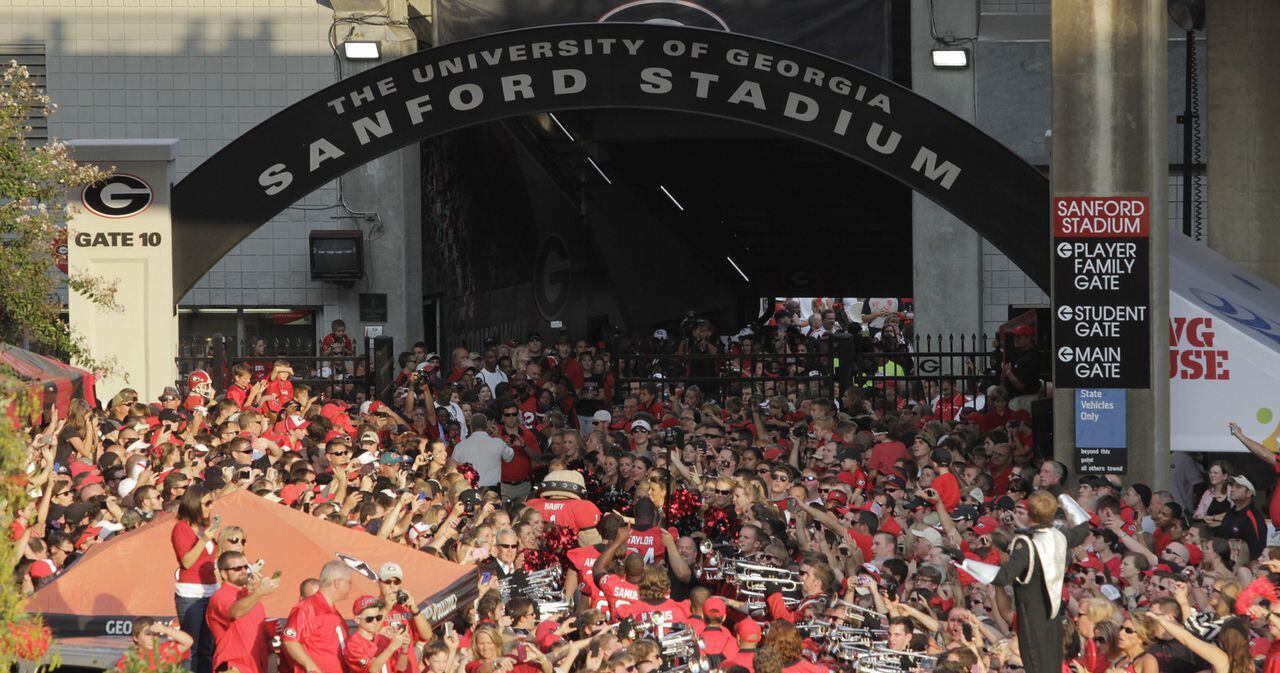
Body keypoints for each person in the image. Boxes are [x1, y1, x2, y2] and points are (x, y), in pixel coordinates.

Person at [953, 490, 1089, 673]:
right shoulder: (1060, 536)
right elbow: (1083, 526)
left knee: (1036, 666)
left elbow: (1002, 577)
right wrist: (1064, 497)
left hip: (1031, 617)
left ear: (1031, 513)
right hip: (1054, 615)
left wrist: (965, 562)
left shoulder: (1026, 543)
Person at [205, 551, 280, 673]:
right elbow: (235, 612)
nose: (244, 571)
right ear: (223, 574)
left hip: (257, 666)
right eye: (237, 568)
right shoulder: (220, 596)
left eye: (246, 567)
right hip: (234, 666)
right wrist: (259, 592)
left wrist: (269, 630)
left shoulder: (251, 597)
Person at [171, 485, 220, 673]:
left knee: (208, 647)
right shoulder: (181, 528)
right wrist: (203, 540)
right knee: (192, 646)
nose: (210, 507)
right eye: (207, 503)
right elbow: (187, 562)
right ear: (194, 504)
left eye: (211, 502)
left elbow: (211, 558)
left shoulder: (205, 527)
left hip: (210, 590)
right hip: (191, 594)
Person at [281, 560, 353, 673]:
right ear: (337, 583)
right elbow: (290, 640)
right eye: (349, 582)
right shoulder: (309, 607)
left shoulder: (334, 612)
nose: (351, 587)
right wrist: (310, 666)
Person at [343, 595, 413, 673]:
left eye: (378, 617)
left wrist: (404, 650)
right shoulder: (352, 645)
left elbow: (400, 668)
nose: (375, 622)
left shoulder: (383, 639)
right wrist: (392, 647)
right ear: (357, 620)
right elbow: (371, 670)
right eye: (370, 619)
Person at [451, 413, 514, 491]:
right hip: (492, 491)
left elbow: (452, 468)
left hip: (470, 491)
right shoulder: (497, 443)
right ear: (486, 426)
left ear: (471, 427)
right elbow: (509, 457)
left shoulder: (460, 447)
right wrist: (498, 436)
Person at [115, 617, 194, 671]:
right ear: (135, 637)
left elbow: (188, 642)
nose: (152, 638)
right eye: (148, 634)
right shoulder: (128, 660)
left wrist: (166, 630)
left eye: (155, 634)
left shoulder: (165, 650)